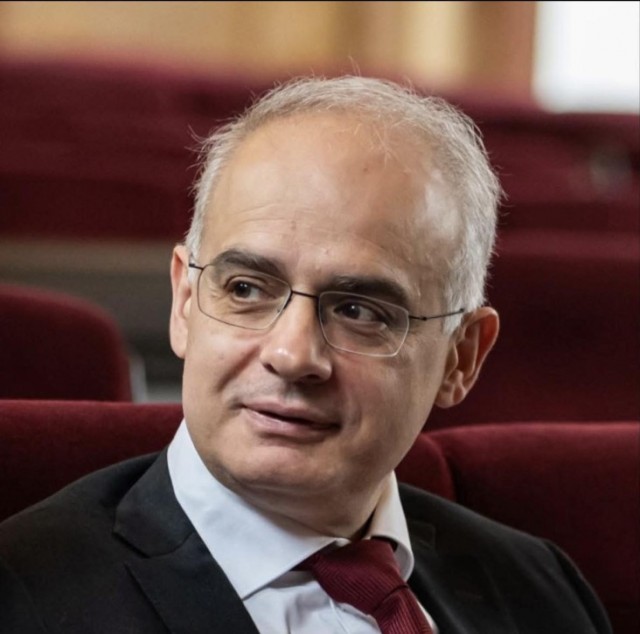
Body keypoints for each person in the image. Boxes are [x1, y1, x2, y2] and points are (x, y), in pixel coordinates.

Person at [0, 75, 611, 634]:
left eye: (360, 311)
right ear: (185, 303)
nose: (291, 356)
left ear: (461, 358)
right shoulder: (25, 598)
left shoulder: (541, 592)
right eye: (246, 290)